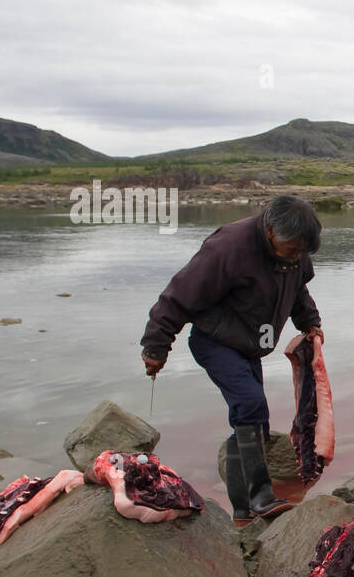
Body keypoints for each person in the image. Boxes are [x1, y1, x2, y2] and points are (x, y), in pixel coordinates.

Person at [139, 195, 325, 524]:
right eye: (294, 249)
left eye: (302, 252)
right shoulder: (228, 248)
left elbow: (297, 291)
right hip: (215, 341)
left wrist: (310, 322)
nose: (298, 256)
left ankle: (241, 510)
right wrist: (156, 346)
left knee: (253, 421)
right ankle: (261, 495)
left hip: (249, 345)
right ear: (271, 232)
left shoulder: (293, 254)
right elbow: (178, 295)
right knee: (252, 405)